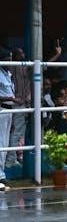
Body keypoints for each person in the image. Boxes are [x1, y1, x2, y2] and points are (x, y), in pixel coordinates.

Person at [0, 49, 15, 191]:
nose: (10, 62)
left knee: (5, 143)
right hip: (2, 109)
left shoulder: (8, 74)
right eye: (8, 59)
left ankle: (2, 173)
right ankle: (0, 175)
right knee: (1, 142)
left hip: (9, 110)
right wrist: (11, 99)